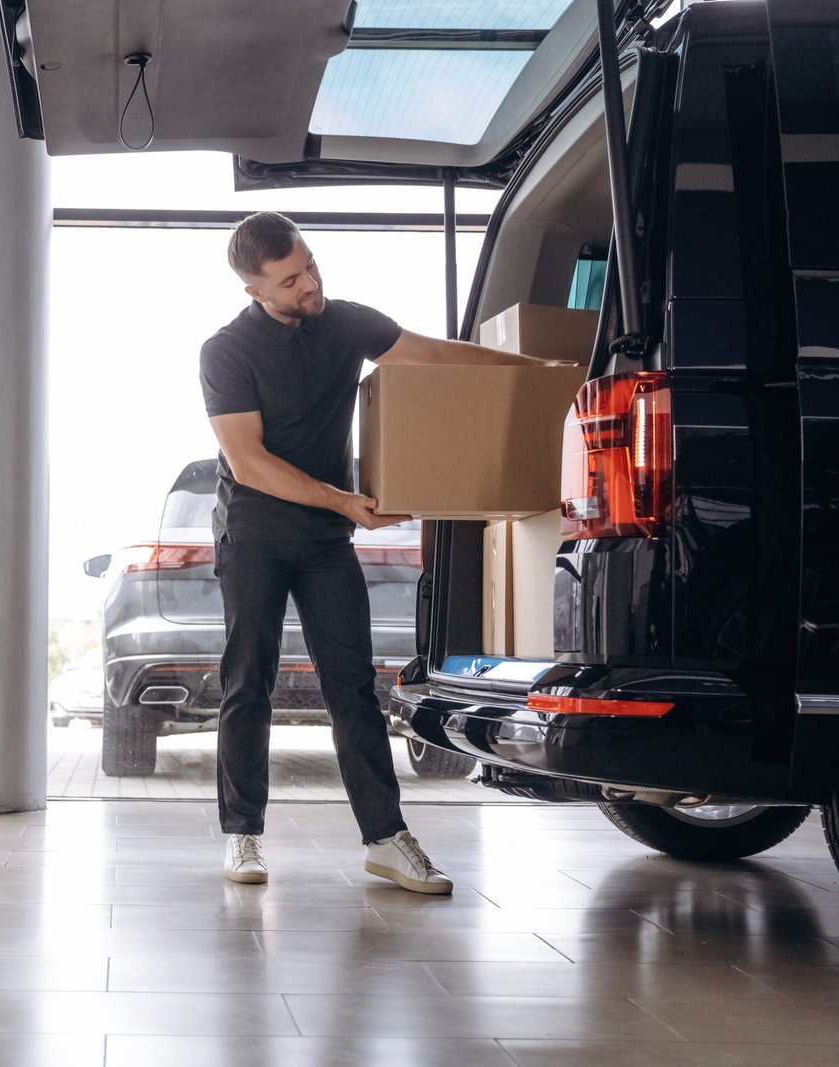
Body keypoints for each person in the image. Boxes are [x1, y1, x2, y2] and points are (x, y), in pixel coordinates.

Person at [200, 211, 549, 892]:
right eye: (289, 280)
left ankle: (386, 838)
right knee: (249, 683)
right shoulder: (226, 351)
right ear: (255, 290)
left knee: (353, 687)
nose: (310, 283)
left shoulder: (346, 322)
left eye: (309, 264)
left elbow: (437, 359)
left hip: (325, 541)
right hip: (254, 534)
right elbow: (249, 463)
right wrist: (345, 501)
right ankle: (243, 834)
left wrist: (539, 373)